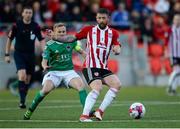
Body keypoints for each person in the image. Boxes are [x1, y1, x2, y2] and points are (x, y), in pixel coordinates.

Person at [53, 8, 122, 122]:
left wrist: (117, 49)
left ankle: (99, 112)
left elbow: (117, 46)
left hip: (103, 67)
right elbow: (72, 38)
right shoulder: (89, 30)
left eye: (103, 18)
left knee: (117, 84)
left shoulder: (113, 33)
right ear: (96, 18)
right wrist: (57, 38)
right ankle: (84, 116)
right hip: (90, 65)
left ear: (108, 19)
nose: (101, 20)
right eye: (99, 18)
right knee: (97, 88)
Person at [23, 23, 87, 120]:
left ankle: (86, 113)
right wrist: (44, 66)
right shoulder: (49, 45)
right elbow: (44, 60)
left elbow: (81, 52)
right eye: (59, 32)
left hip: (69, 72)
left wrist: (90, 60)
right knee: (45, 90)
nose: (62, 33)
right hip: (54, 73)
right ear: (54, 33)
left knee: (81, 87)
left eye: (63, 31)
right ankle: (30, 110)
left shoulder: (71, 41)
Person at [4, 6, 45, 108]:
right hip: (19, 54)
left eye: (30, 12)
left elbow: (41, 39)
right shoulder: (17, 25)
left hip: (31, 55)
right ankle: (22, 102)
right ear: (22, 14)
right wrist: (7, 54)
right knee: (22, 75)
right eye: (26, 12)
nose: (28, 14)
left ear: (32, 14)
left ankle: (23, 98)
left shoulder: (35, 26)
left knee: (27, 79)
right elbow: (9, 39)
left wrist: (45, 52)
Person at [166, 14, 180, 95]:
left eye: (178, 19)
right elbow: (166, 40)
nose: (177, 21)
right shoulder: (170, 29)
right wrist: (165, 51)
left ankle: (173, 89)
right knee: (176, 71)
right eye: (176, 19)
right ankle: (169, 86)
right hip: (174, 54)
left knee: (178, 72)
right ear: (173, 20)